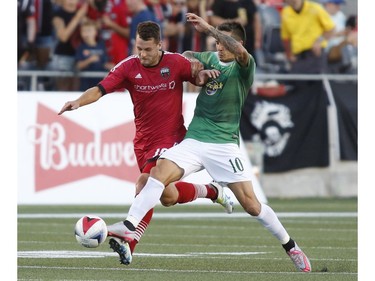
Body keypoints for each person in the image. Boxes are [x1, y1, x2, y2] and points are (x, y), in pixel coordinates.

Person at [106, 13, 312, 272]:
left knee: (250, 204)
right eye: (217, 45)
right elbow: (184, 57)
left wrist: (209, 28)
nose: (219, 49)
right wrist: (194, 64)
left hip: (223, 145)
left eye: (224, 44)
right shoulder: (211, 57)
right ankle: (129, 226)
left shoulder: (244, 66)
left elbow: (241, 52)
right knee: (156, 174)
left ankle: (290, 246)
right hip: (194, 139)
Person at [58, 20, 233, 265]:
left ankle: (129, 241)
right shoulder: (128, 67)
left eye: (148, 49)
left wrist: (201, 75)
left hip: (172, 139)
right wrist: (78, 102)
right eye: (139, 48)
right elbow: (100, 89)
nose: (142, 54)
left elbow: (197, 75)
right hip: (143, 142)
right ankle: (212, 191)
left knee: (145, 182)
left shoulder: (175, 62)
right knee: (167, 197)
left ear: (160, 45)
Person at [280, 0, 335, 74]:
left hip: (315, 53)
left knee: (317, 80)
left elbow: (331, 29)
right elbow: (286, 37)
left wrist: (319, 41)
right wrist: (289, 54)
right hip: (298, 55)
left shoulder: (315, 8)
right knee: (297, 81)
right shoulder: (286, 12)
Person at [51, 0, 88, 90]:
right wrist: (78, 17)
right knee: (62, 87)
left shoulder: (81, 13)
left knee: (77, 88)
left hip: (80, 57)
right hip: (63, 56)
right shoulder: (58, 15)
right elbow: (63, 37)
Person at [75, 19, 113, 91]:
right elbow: (78, 66)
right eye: (83, 31)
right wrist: (89, 60)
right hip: (86, 85)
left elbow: (105, 63)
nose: (86, 33)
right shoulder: (81, 47)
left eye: (88, 30)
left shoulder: (101, 46)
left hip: (100, 85)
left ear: (95, 32)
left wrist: (111, 67)